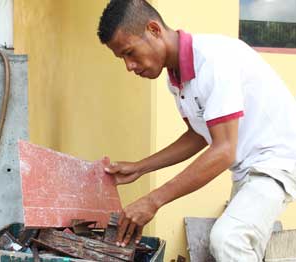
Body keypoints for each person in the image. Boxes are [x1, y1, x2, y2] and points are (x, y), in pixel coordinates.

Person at [97, 0, 296, 261]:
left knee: (228, 240)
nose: (129, 66)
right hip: (247, 168)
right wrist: (141, 167)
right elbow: (199, 135)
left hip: (277, 161)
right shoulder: (176, 78)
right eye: (121, 58)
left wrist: (153, 200)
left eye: (130, 52)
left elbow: (224, 150)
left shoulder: (213, 60)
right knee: (242, 249)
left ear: (154, 30)